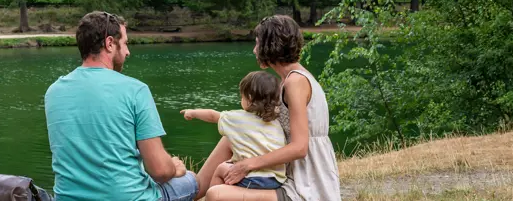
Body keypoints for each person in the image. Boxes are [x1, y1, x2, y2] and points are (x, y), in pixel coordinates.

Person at [45, 11, 199, 201]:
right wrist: (174, 168)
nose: (127, 51)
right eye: (125, 43)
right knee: (192, 180)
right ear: (110, 43)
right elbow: (159, 171)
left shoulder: (53, 91)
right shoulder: (135, 90)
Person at [195, 15, 340, 201]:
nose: (255, 50)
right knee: (230, 137)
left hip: (305, 183)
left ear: (270, 45)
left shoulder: (295, 82)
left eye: (257, 44)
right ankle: (191, 191)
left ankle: (193, 190)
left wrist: (247, 165)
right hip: (285, 174)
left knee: (217, 194)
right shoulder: (288, 80)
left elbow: (300, 148)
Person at [182, 72, 287, 200]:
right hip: (275, 180)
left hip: (253, 180)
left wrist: (192, 112)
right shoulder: (275, 122)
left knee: (221, 169)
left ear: (249, 98)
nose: (240, 100)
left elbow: (212, 115)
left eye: (241, 96)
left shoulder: (238, 118)